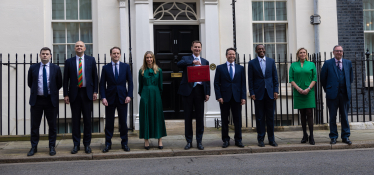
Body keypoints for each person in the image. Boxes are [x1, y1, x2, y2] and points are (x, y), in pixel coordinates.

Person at [63, 41, 98, 154]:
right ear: (74, 48)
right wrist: (66, 94)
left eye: (81, 46)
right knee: (75, 121)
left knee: (87, 121)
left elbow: (95, 77)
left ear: (85, 48)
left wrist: (95, 92)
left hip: (87, 93)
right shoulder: (69, 61)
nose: (79, 47)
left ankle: (87, 145)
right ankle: (76, 145)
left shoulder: (91, 60)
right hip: (74, 94)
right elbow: (65, 80)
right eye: (77, 46)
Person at [27, 47, 62, 156]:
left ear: (50, 56)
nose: (45, 55)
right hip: (37, 100)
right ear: (40, 55)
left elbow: (59, 83)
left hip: (51, 100)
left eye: (47, 54)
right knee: (35, 125)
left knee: (52, 125)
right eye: (43, 54)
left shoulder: (56, 68)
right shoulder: (33, 68)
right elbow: (30, 83)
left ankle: (52, 146)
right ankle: (34, 147)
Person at [177, 40, 210, 150]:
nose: (197, 49)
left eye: (199, 47)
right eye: (195, 47)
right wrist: (192, 63)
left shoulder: (205, 61)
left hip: (200, 91)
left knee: (200, 118)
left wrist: (207, 93)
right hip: (188, 91)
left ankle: (199, 141)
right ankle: (189, 141)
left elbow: (207, 79)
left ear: (201, 48)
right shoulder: (186, 59)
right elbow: (178, 64)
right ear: (191, 48)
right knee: (188, 117)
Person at [99, 47, 133, 152]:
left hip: (123, 98)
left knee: (123, 121)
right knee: (109, 122)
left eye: (118, 53)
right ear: (110, 55)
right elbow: (102, 84)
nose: (116, 55)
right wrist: (103, 97)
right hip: (109, 99)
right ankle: (108, 144)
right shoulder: (105, 68)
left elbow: (130, 82)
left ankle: (124, 143)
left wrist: (129, 95)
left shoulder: (125, 67)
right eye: (114, 53)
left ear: (120, 54)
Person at [321, 45, 353, 145]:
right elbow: (323, 78)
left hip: (344, 94)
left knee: (344, 116)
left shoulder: (348, 63)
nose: (339, 52)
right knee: (332, 117)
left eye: (340, 51)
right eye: (337, 51)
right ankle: (333, 136)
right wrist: (328, 89)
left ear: (342, 52)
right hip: (332, 94)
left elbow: (350, 78)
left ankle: (345, 136)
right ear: (333, 52)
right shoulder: (327, 63)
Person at [214, 48, 246, 148]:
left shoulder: (240, 68)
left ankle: (238, 140)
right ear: (226, 55)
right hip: (224, 98)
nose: (231, 56)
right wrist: (219, 96)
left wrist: (243, 97)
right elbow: (216, 83)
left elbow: (243, 84)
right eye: (229, 54)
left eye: (233, 54)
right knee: (224, 120)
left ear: (235, 55)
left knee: (238, 120)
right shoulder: (220, 68)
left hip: (237, 97)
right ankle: (226, 140)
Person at [248, 44, 279, 147]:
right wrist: (252, 92)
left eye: (262, 49)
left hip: (270, 93)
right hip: (258, 94)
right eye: (259, 49)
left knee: (270, 117)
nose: (261, 50)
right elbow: (250, 79)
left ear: (265, 50)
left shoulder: (271, 61)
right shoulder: (252, 63)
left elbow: (275, 78)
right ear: (256, 51)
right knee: (260, 117)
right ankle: (260, 139)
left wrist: (276, 90)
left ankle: (271, 139)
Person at [138, 51, 167, 150]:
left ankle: (160, 140)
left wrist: (157, 95)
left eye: (150, 57)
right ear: (145, 59)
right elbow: (140, 86)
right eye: (147, 58)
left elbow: (161, 86)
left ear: (153, 58)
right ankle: (146, 140)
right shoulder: (141, 71)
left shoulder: (159, 70)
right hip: (145, 95)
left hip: (156, 95)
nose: (149, 59)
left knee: (157, 116)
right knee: (146, 116)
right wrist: (143, 95)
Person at [289, 48, 317, 145]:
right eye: (300, 53)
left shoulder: (311, 64)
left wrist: (308, 88)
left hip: (309, 91)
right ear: (298, 54)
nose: (302, 54)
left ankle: (312, 136)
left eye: (304, 52)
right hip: (298, 92)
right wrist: (298, 89)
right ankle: (304, 135)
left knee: (309, 113)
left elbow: (314, 78)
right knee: (302, 114)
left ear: (306, 54)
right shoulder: (293, 65)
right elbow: (291, 79)